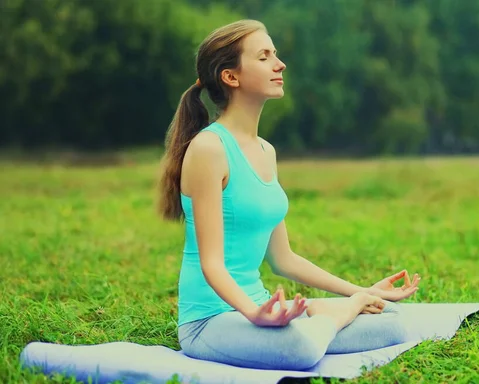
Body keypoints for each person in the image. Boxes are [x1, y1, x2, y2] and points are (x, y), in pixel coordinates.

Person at [157, 19, 421, 371]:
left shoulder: (266, 151)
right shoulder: (209, 148)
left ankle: (330, 311)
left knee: (391, 322)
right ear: (230, 77)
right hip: (211, 320)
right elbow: (212, 265)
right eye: (264, 56)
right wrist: (254, 314)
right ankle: (332, 314)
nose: (279, 65)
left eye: (275, 55)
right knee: (301, 348)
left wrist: (362, 291)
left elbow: (283, 259)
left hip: (262, 309)